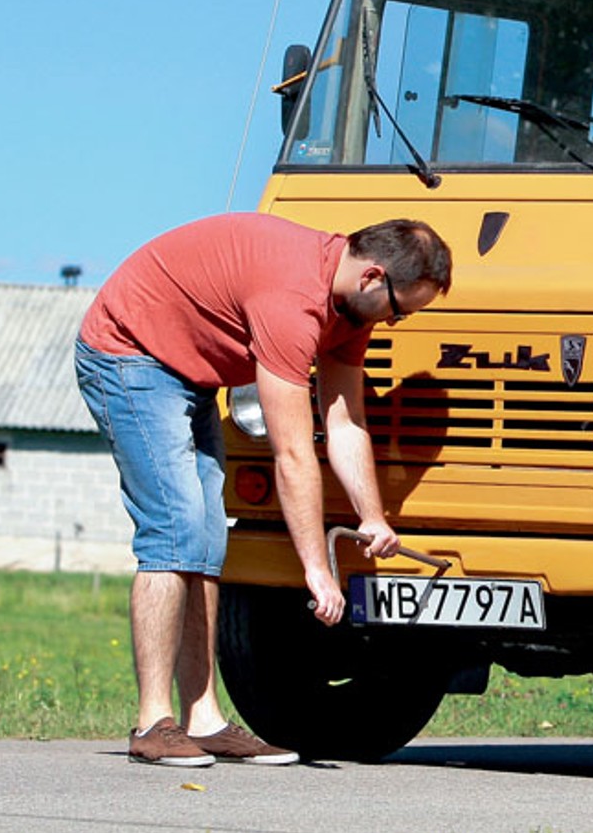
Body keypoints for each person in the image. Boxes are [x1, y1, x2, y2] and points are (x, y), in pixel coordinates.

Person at [74, 212, 452, 767]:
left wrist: (372, 516)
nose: (395, 322)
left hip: (189, 372)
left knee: (205, 540)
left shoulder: (350, 310)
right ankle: (153, 723)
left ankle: (203, 719)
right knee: (174, 528)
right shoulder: (292, 300)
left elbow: (345, 424)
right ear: (372, 277)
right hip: (130, 355)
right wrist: (317, 571)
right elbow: (293, 453)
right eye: (399, 309)